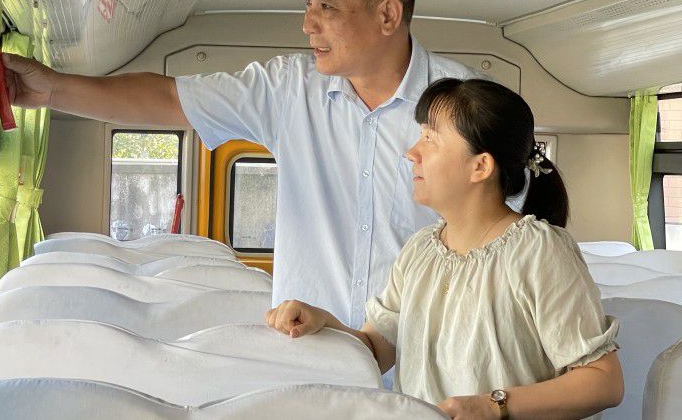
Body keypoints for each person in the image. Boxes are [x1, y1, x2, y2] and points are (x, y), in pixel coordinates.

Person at [2, 0, 481, 329]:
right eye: (308, 4)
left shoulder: (471, 105)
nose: (308, 24)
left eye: (327, 7)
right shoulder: (290, 90)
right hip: (310, 362)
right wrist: (52, 90)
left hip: (429, 371)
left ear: (387, 15)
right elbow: (169, 98)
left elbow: (499, 239)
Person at [266, 78, 623, 420]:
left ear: (480, 166)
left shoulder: (539, 251)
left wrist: (493, 406)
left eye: (430, 139)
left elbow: (603, 381)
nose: (412, 152)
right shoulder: (421, 249)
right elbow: (376, 349)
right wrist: (325, 324)